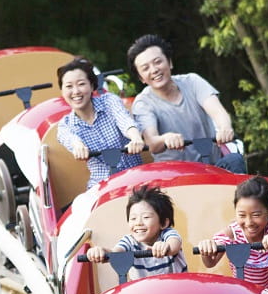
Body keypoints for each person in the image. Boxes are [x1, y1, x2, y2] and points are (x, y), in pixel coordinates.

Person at [126, 34, 246, 173]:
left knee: (235, 160)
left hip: (213, 167)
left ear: (170, 62)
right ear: (141, 78)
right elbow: (152, 143)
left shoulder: (193, 81)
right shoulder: (143, 103)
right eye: (145, 68)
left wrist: (225, 128)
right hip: (176, 176)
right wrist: (165, 138)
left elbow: (218, 112)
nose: (154, 70)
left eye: (158, 62)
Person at [196, 176, 268, 294]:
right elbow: (210, 262)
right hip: (247, 293)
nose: (249, 223)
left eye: (256, 215)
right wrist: (207, 248)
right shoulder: (232, 234)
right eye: (242, 215)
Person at [56, 57, 145, 189]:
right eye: (69, 86)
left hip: (134, 178)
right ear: (62, 91)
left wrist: (135, 137)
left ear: (92, 86)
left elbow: (124, 120)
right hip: (102, 186)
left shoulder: (109, 101)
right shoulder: (65, 125)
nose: (76, 91)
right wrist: (78, 146)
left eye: (81, 84)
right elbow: (70, 138)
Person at [86, 184, 188, 279]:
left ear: (163, 223)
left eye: (146, 217)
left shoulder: (167, 234)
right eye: (133, 218)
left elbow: (174, 245)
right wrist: (101, 252)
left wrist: (166, 247)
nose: (138, 223)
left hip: (176, 291)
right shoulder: (130, 241)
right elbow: (115, 254)